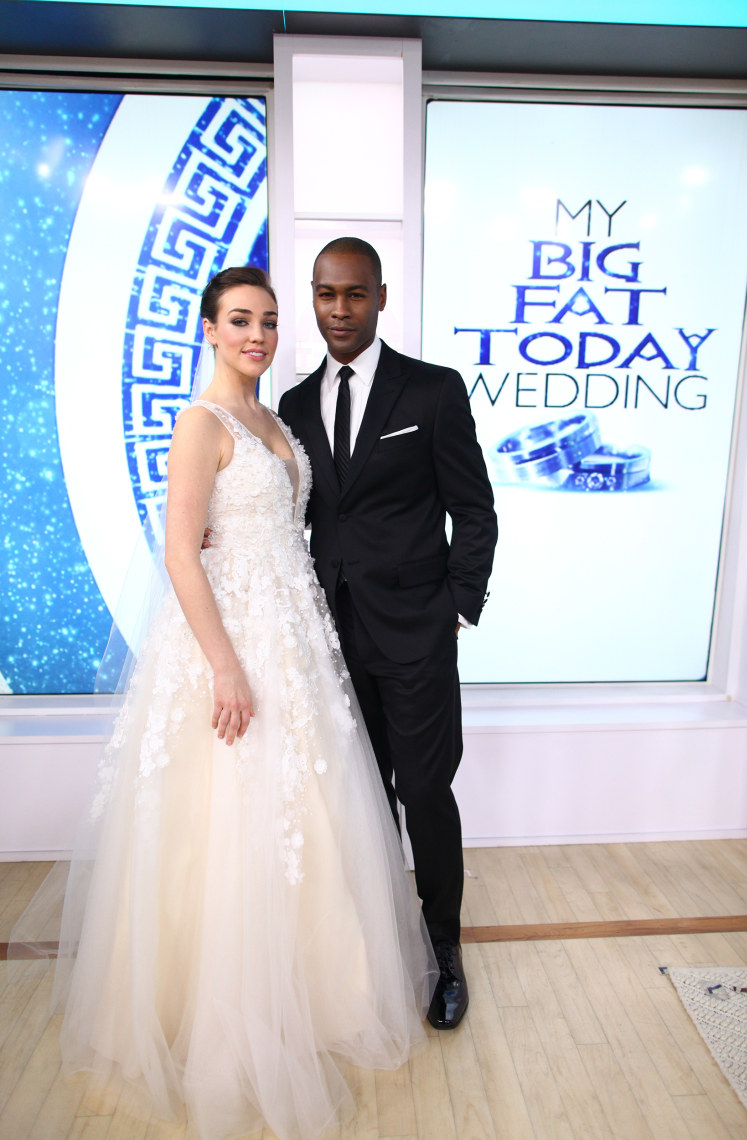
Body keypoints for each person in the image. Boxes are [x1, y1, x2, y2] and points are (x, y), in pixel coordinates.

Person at [13, 266, 435, 1140]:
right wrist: (226, 668)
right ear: (209, 328)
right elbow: (179, 552)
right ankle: (221, 1016)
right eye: (241, 320)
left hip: (296, 639)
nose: (258, 334)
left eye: (270, 322)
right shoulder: (199, 423)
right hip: (231, 644)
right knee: (225, 825)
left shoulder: (275, 420)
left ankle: (320, 994)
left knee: (309, 815)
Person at [278, 238, 498, 1031]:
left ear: (380, 297)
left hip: (416, 638)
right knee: (360, 801)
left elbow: (475, 510)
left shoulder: (433, 392)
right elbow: (290, 519)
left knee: (427, 795)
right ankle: (375, 951)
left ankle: (445, 953)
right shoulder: (295, 406)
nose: (340, 310)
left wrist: (455, 609)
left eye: (355, 295)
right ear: (315, 297)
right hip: (330, 644)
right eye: (326, 294)